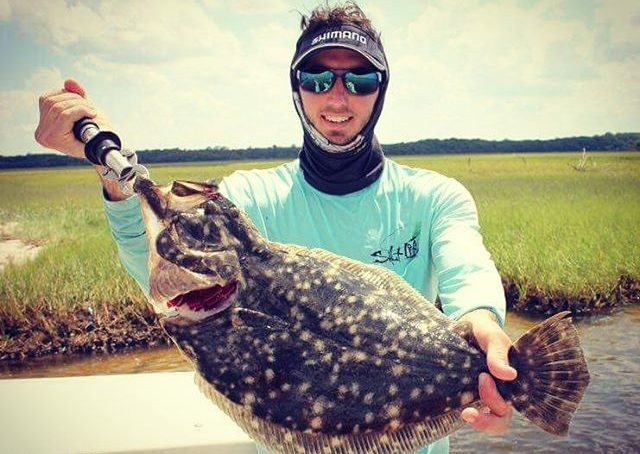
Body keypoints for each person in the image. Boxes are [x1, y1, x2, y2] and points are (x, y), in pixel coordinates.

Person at [35, 2, 516, 453]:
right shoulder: (249, 199)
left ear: (380, 90)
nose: (338, 96)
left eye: (360, 79)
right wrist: (111, 176)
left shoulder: (433, 198)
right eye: (318, 77)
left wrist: (483, 323)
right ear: (297, 87)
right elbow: (160, 272)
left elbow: (466, 269)